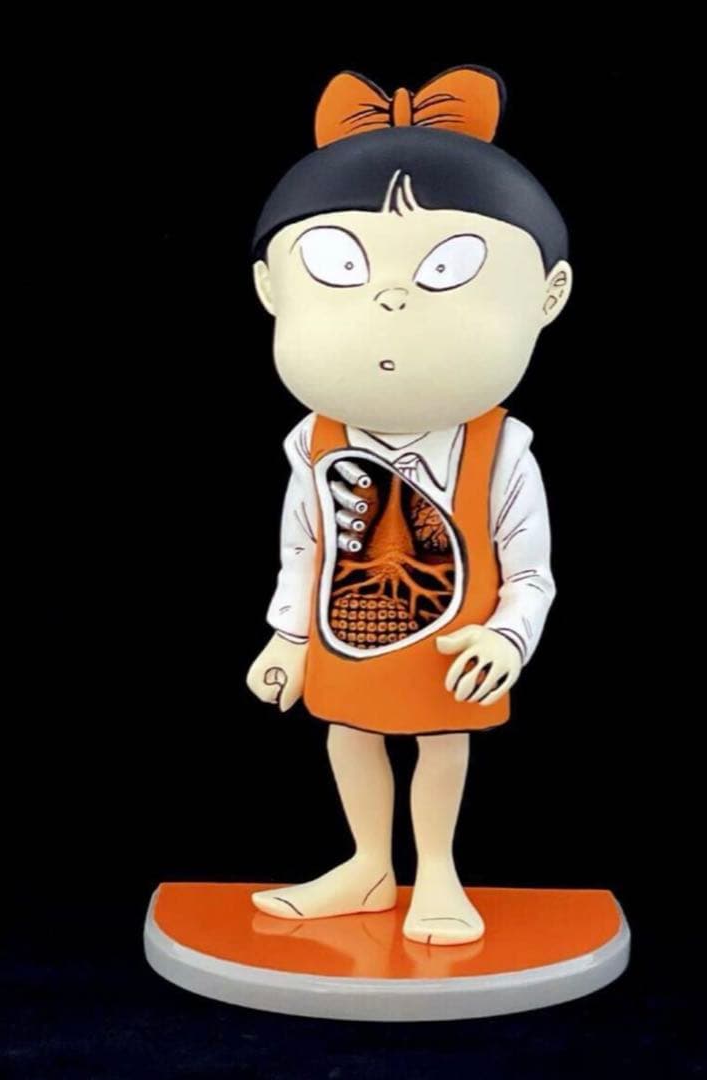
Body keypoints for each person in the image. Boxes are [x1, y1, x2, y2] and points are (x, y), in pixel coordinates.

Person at [245, 66, 571, 945]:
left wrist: (508, 637)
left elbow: (532, 570)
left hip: (449, 645)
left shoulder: (502, 450)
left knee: (439, 743)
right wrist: (288, 636)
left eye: (445, 272)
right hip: (345, 631)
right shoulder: (313, 442)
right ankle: (366, 865)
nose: (390, 299)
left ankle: (436, 870)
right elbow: (304, 546)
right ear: (272, 290)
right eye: (340, 268)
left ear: (549, 298)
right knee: (347, 734)